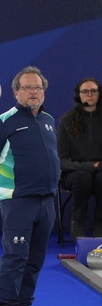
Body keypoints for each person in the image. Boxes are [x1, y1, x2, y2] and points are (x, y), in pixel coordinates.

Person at [0, 66, 60, 306]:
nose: (33, 91)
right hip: (18, 202)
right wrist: (1, 194)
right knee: (15, 257)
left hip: (46, 202)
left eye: (37, 87)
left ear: (43, 91)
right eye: (27, 87)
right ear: (16, 93)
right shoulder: (3, 122)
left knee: (35, 260)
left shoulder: (48, 120)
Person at [57, 78, 102, 238]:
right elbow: (62, 161)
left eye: (93, 91)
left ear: (99, 94)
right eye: (85, 91)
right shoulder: (67, 121)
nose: (90, 94)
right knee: (83, 177)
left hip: (101, 170)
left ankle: (100, 224)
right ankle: (78, 222)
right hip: (74, 173)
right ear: (78, 95)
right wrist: (88, 167)